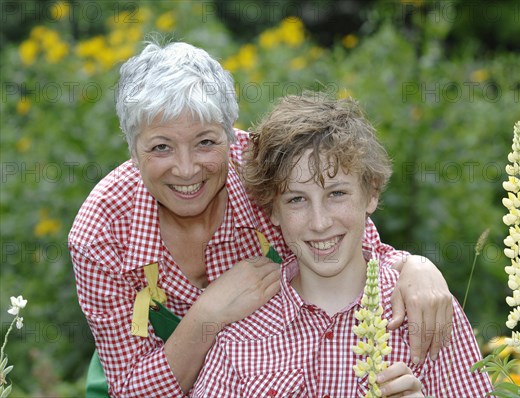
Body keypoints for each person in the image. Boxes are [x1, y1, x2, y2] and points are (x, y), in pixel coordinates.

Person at [68, 40, 453, 397]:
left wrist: (414, 265)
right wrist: (209, 312)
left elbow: (350, 240)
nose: (186, 170)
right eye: (160, 147)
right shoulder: (100, 233)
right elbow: (130, 387)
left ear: (231, 136)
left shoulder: (266, 172)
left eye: (205, 142)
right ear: (133, 151)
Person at [192, 93, 493, 397]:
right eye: (297, 199)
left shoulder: (425, 311)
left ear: (371, 193)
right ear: (272, 210)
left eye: (336, 194)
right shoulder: (243, 330)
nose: (320, 222)